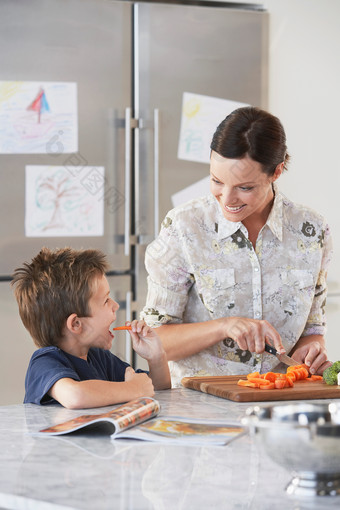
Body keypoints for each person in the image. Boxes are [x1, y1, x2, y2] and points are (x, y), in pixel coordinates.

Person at [141, 106, 333, 387]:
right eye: (217, 181)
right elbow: (154, 340)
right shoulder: (184, 227)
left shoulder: (312, 230)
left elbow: (313, 330)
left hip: (281, 399)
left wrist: (312, 347)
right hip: (200, 407)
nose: (226, 198)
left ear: (276, 172)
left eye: (245, 187)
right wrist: (223, 326)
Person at [12, 247, 171, 408]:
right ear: (76, 324)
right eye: (106, 300)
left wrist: (156, 357)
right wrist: (133, 388)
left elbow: (154, 389)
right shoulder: (44, 363)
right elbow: (75, 396)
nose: (115, 305)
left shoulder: (99, 358)